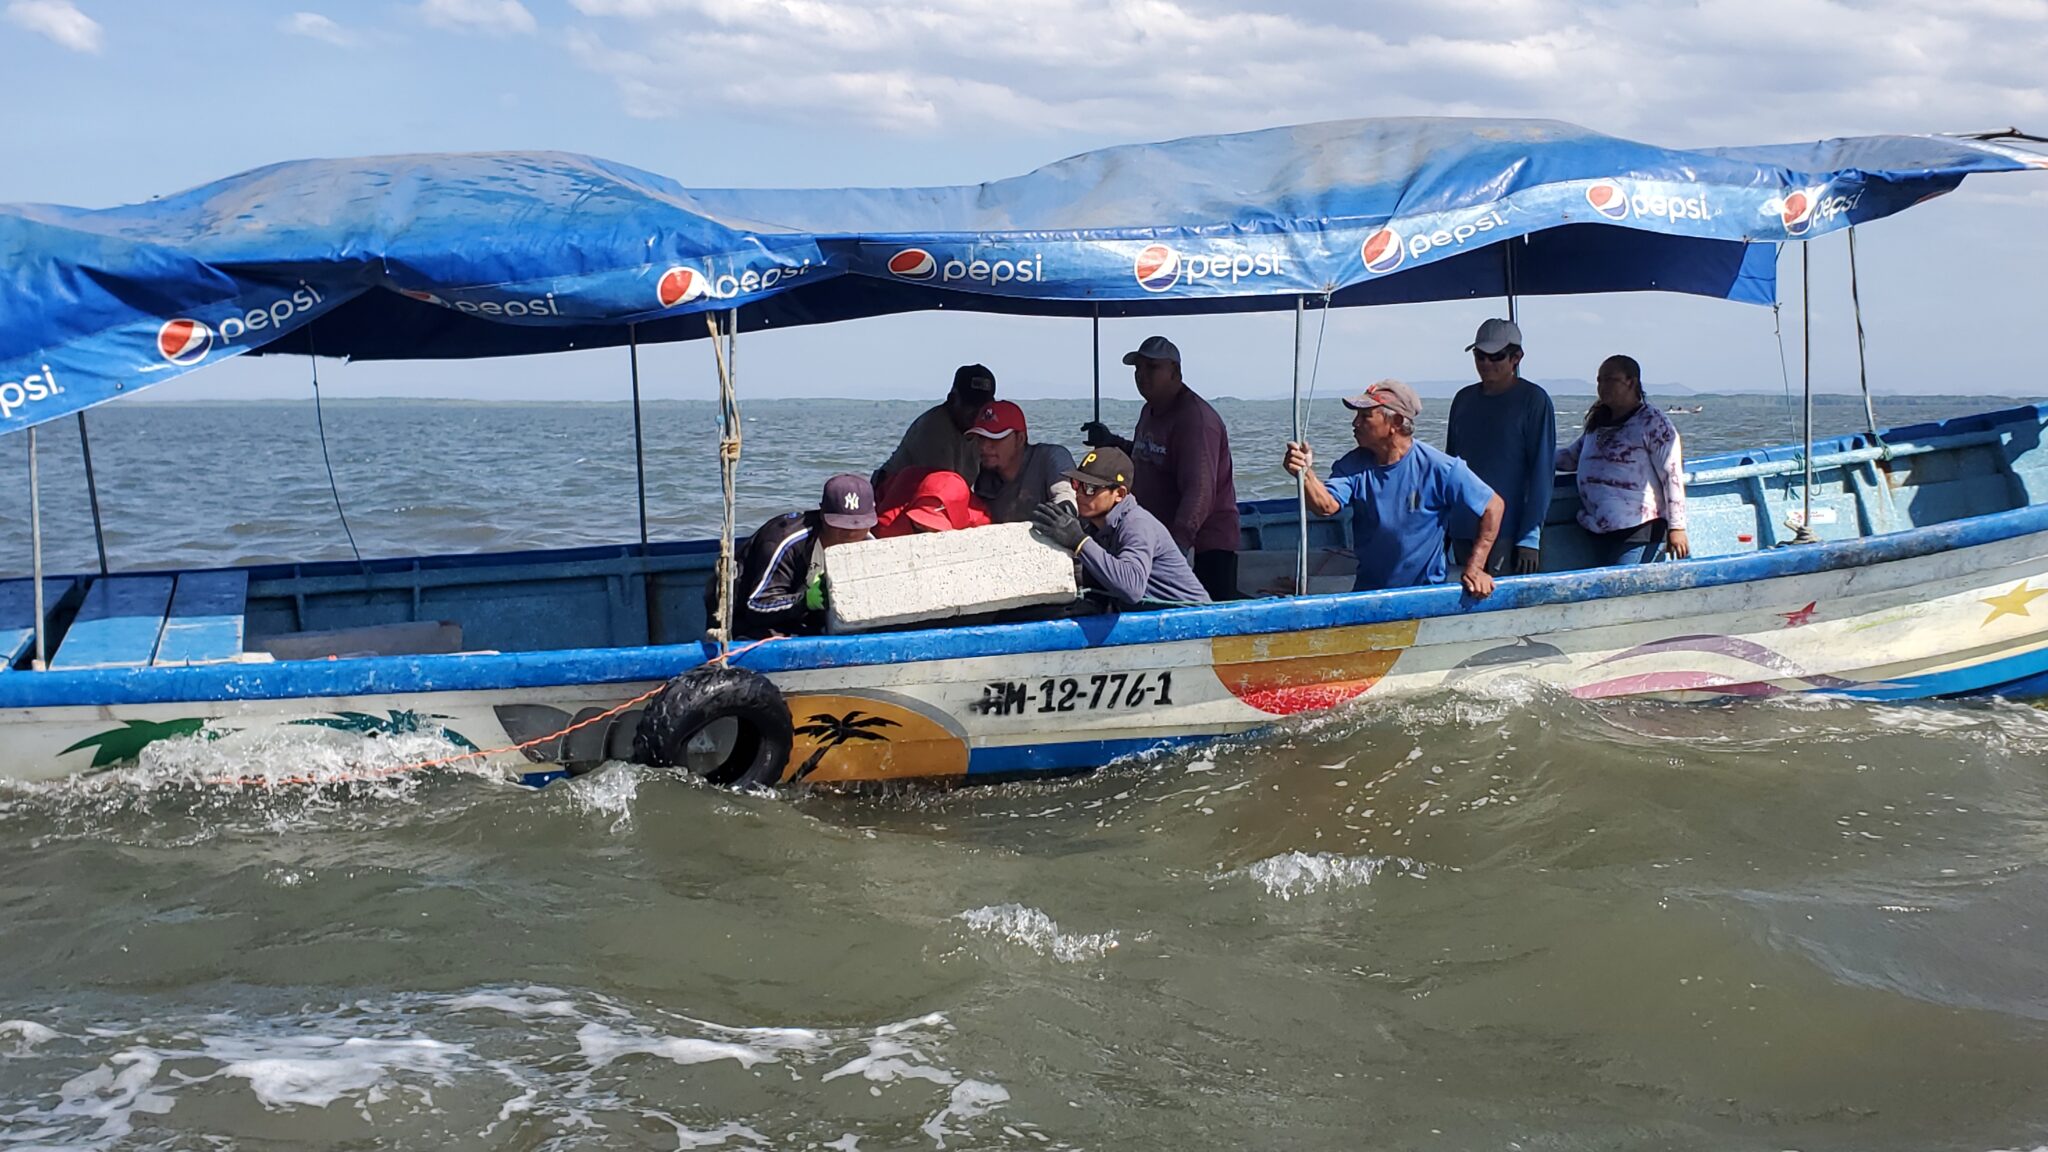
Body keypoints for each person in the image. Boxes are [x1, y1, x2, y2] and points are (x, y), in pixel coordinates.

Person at [1282, 379, 1505, 597]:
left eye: (1365, 416)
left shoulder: (1440, 468)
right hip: (1369, 594)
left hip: (1426, 594)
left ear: (1396, 422)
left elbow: (1493, 506)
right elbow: (1326, 506)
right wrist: (1305, 474)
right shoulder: (1352, 465)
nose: (1355, 423)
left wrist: (1476, 567)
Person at [1080, 336, 1240, 601]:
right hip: (1153, 538)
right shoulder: (1149, 410)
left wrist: (1179, 545)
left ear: (1175, 373)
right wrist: (1112, 443)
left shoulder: (1195, 420)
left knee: (1211, 616)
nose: (1142, 375)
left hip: (1203, 543)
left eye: (1152, 368)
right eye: (1138, 368)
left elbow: (1199, 491)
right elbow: (1148, 454)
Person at [1028, 446, 1211, 611]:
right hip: (1149, 618)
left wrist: (1080, 542)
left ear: (1119, 494)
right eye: (1077, 485)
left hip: (1193, 619)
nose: (1080, 494)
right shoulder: (1095, 526)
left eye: (1091, 488)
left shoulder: (1137, 524)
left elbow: (1131, 588)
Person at [1444, 318, 1555, 576]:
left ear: (1517, 357)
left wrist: (1529, 538)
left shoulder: (1534, 401)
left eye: (1496, 356)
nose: (1486, 363)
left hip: (1507, 532)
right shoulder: (1463, 399)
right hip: (1461, 528)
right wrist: (1444, 525)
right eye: (1480, 356)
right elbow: (1451, 466)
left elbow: (1542, 473)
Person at [1555, 354, 1691, 565]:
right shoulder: (1599, 423)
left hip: (1636, 530)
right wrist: (1533, 456)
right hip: (1597, 526)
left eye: (1610, 379)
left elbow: (1671, 476)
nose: (1602, 386)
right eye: (1599, 380)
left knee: (1620, 587)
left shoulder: (1653, 423)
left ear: (1631, 381)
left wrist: (1677, 527)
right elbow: (1572, 458)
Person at [715, 474, 876, 637]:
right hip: (748, 621)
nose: (850, 534)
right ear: (822, 515)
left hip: (813, 623)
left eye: (859, 525)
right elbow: (756, 606)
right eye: (841, 525)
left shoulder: (872, 545)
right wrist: (804, 600)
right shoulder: (784, 541)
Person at [874, 365, 997, 492]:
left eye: (983, 407)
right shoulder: (934, 430)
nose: (977, 413)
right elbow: (943, 490)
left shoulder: (983, 431)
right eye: (970, 405)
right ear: (952, 399)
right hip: (893, 493)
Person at [966, 400, 1076, 523]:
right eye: (981, 438)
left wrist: (1062, 516)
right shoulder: (985, 476)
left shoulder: (1051, 458)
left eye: (995, 438)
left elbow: (1066, 500)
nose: (984, 446)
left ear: (1020, 439)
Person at [873, 468, 992, 538]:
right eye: (919, 526)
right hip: (901, 481)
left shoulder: (980, 522)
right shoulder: (888, 526)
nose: (925, 537)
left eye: (937, 530)